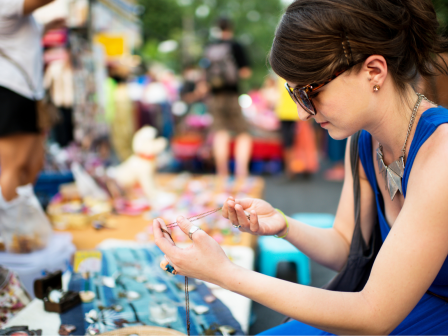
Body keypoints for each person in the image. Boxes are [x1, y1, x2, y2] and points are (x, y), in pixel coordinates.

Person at [154, 0, 448, 334]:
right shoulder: (364, 142)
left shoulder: (442, 153)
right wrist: (283, 225)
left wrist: (224, 273)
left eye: (310, 92)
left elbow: (373, 315)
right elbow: (347, 248)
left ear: (374, 71)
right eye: (294, 94)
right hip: (403, 305)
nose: (303, 113)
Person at [0, 0, 56, 201]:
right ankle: (6, 228)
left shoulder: (24, 17)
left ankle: (19, 221)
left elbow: (27, 39)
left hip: (27, 94)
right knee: (14, 166)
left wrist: (49, 26)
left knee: (32, 164)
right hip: (11, 92)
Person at [204, 17, 253, 180]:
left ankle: (222, 174)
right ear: (231, 28)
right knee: (243, 134)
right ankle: (241, 173)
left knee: (220, 133)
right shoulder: (235, 45)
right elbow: (245, 72)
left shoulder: (210, 46)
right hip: (232, 95)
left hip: (215, 96)